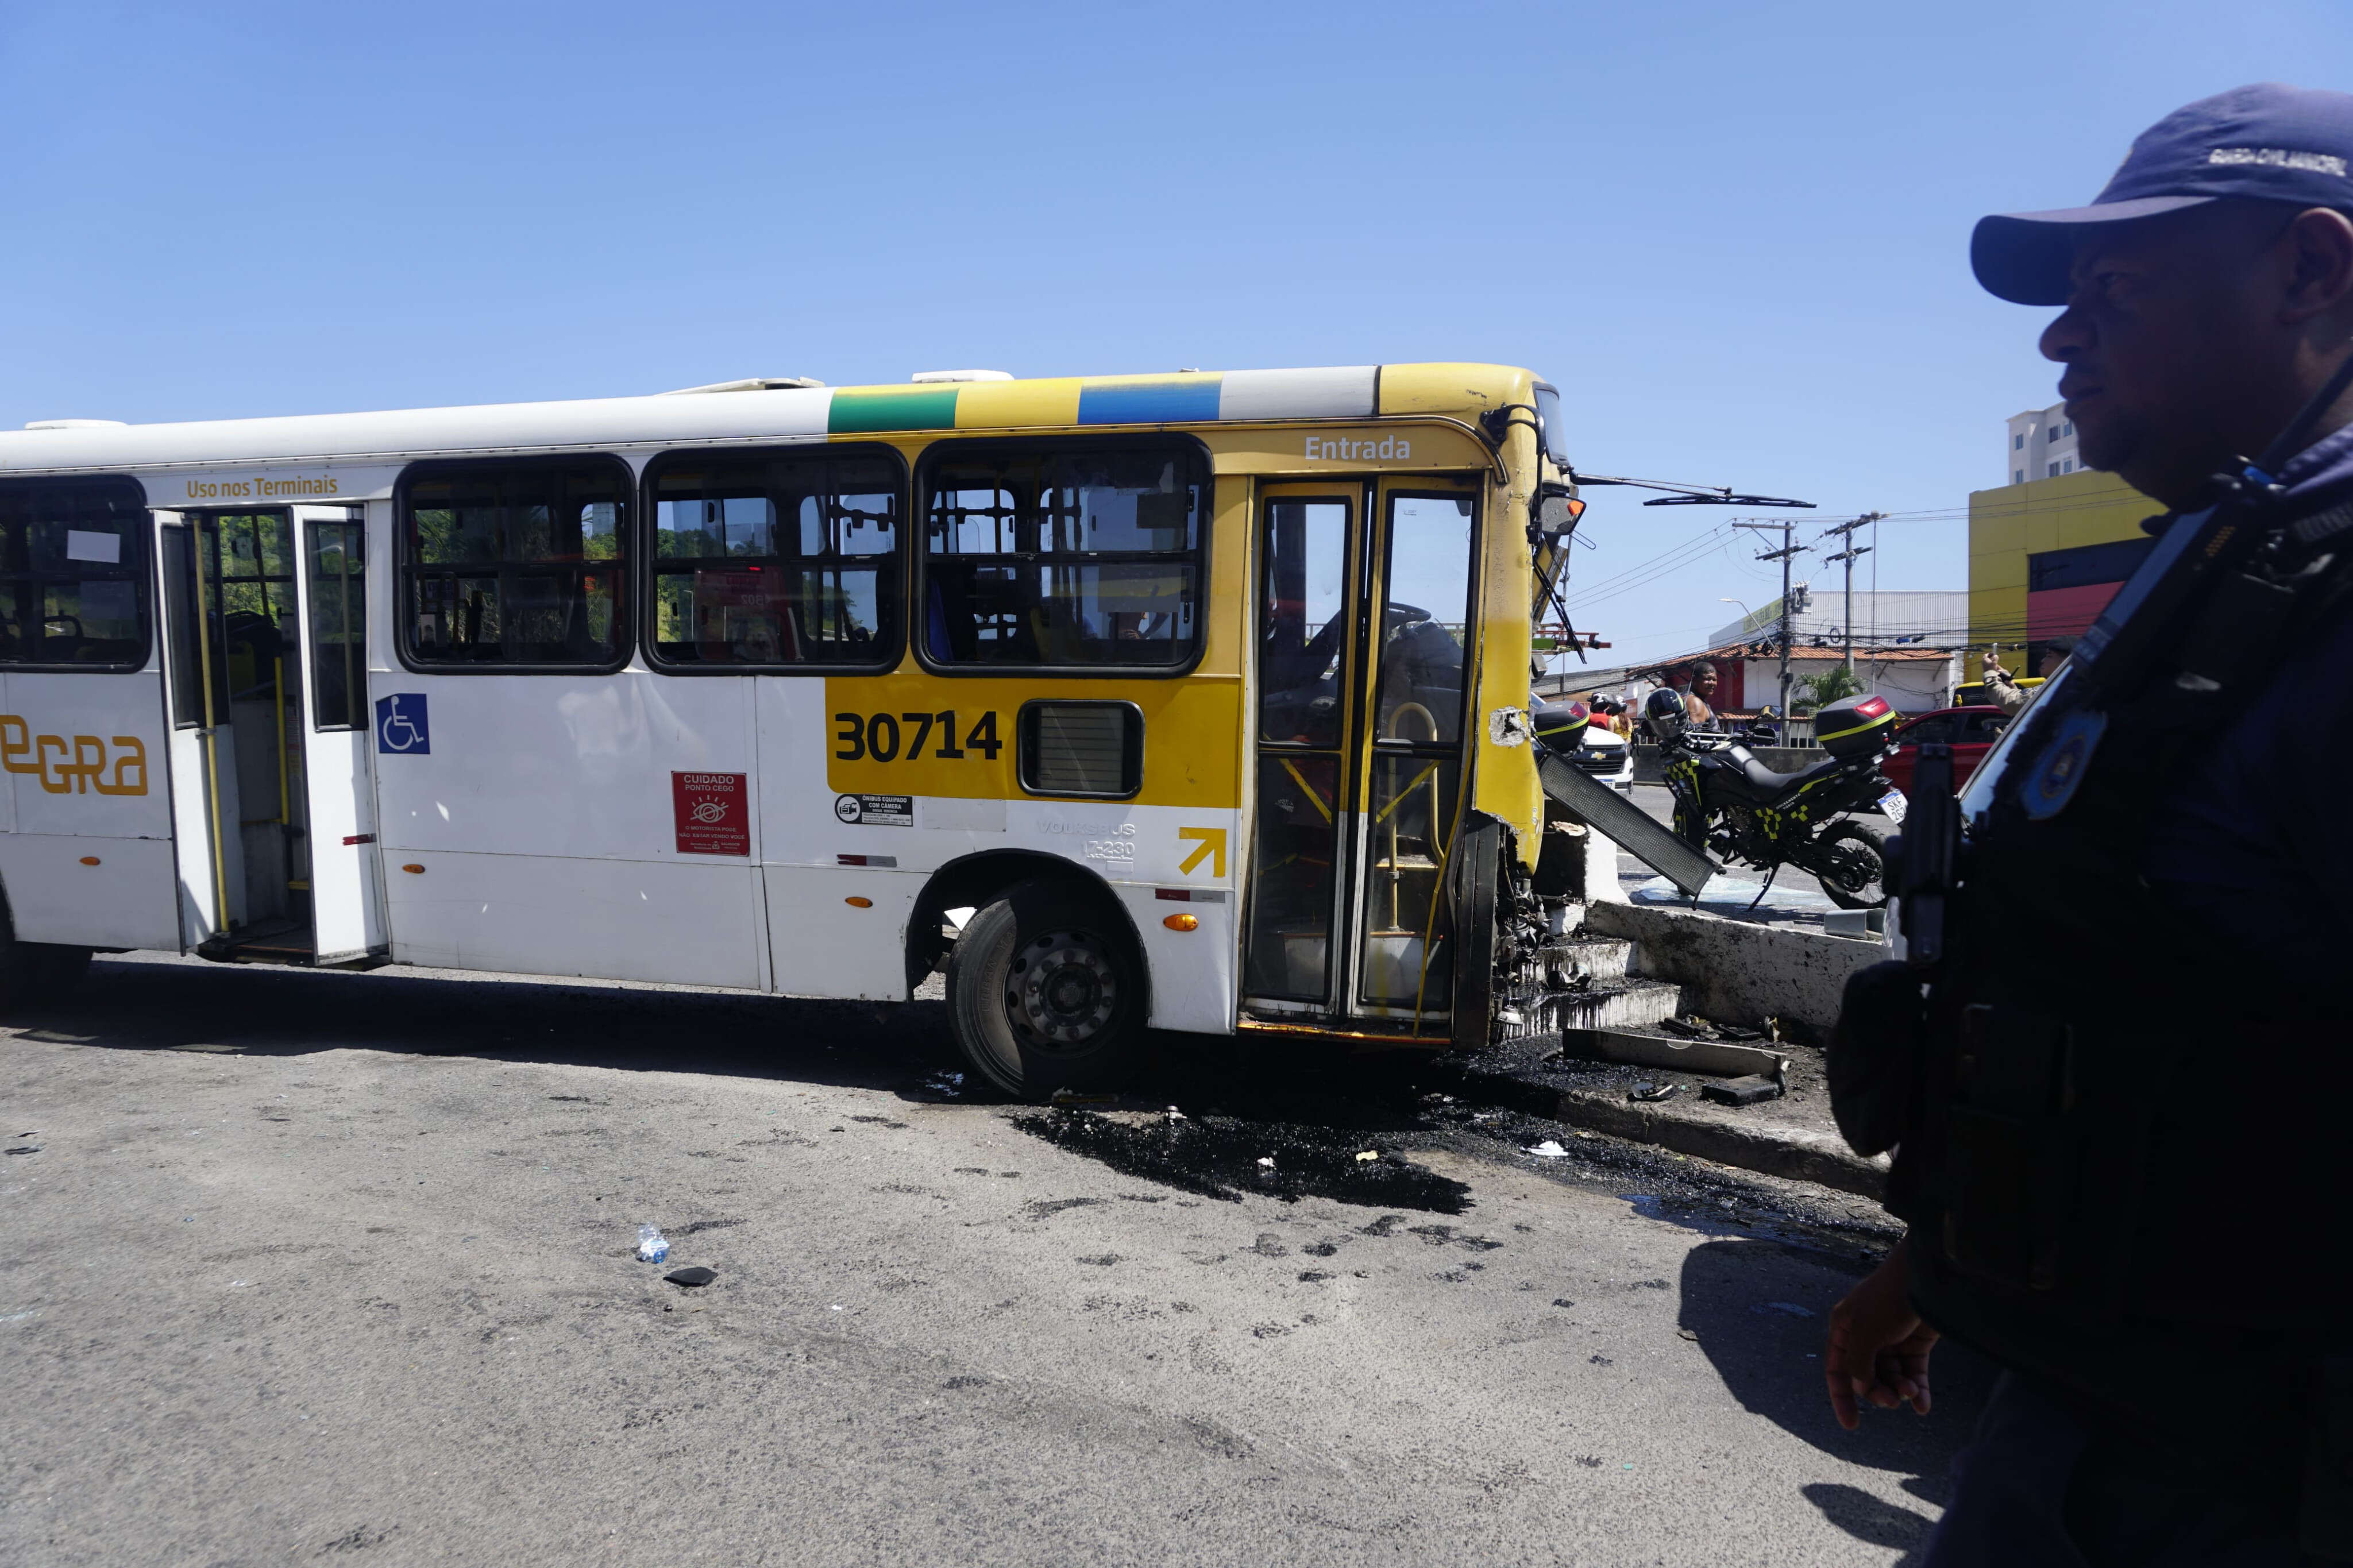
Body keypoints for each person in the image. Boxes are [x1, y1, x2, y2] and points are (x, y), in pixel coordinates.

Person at [1825, 83, 2353, 1564]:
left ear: (2314, 273)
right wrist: (1934, 1263)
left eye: (2112, 289)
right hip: (2093, 1415)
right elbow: (2141, 998)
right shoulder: (2231, 565)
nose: (2060, 339)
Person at [1981, 635, 2076, 716]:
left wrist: (1990, 672)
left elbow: (2012, 703)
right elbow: (2023, 705)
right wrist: (2011, 687)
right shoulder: (2073, 687)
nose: (2043, 660)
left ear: (2065, 662)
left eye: (2049, 656)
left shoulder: (2058, 689)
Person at [1683, 660, 1719, 727]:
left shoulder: (1699, 700)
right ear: (1694, 680)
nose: (1712, 683)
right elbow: (1696, 735)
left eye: (1714, 680)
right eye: (1707, 679)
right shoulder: (1694, 702)